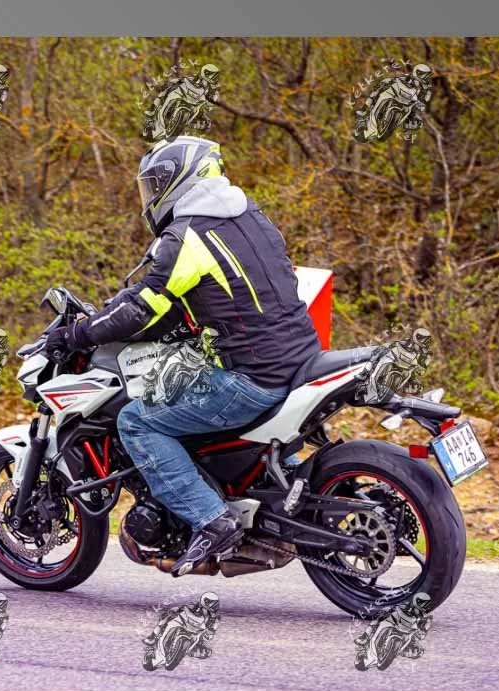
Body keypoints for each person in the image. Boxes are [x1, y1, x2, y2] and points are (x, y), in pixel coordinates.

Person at [46, 136, 321, 576]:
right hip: (301, 361)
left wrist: (79, 333)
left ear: (180, 179)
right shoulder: (251, 216)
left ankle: (211, 520)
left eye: (154, 185)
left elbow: (144, 304)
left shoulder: (187, 235)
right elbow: (202, 295)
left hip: (252, 378)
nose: (150, 196)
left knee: (137, 421)